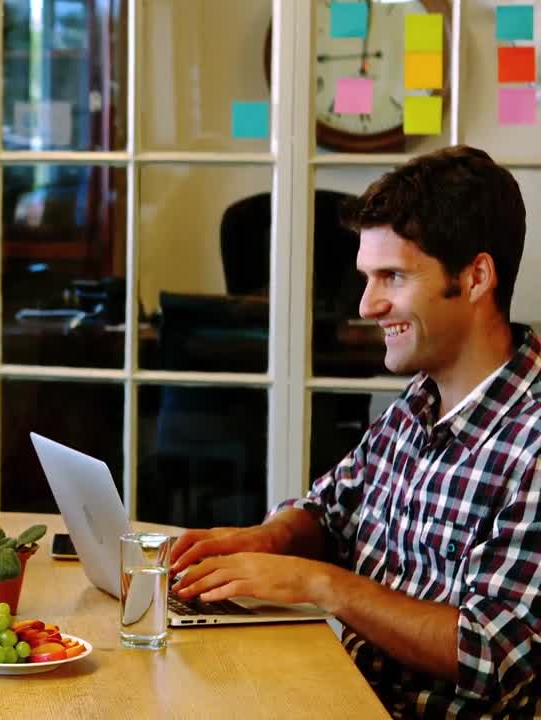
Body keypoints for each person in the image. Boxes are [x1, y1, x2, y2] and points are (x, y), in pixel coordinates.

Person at [170, 145, 539, 718]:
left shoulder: (532, 442)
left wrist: (321, 586)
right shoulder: (419, 402)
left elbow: (489, 653)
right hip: (337, 695)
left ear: (475, 278)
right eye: (367, 277)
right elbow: (330, 511)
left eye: (391, 275)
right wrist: (264, 540)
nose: (367, 304)